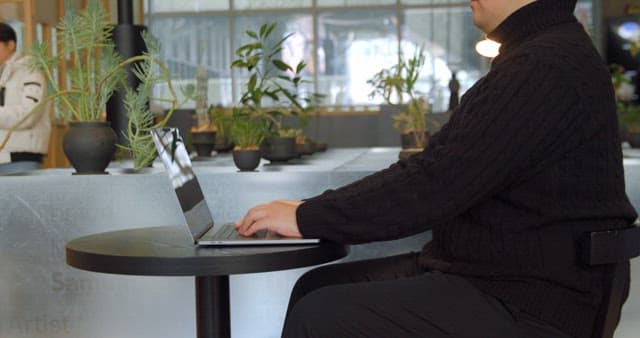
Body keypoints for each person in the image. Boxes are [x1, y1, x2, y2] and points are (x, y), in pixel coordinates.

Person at [236, 0, 638, 337]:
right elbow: (439, 168)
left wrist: (310, 216)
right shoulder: (540, 53)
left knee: (321, 314)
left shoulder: (543, 65)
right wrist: (310, 210)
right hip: (499, 278)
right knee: (315, 287)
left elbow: (435, 184)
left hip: (532, 302)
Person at [0, 22, 50, 173]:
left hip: (20, 158)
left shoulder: (30, 71)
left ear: (10, 44)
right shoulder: (2, 72)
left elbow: (29, 114)